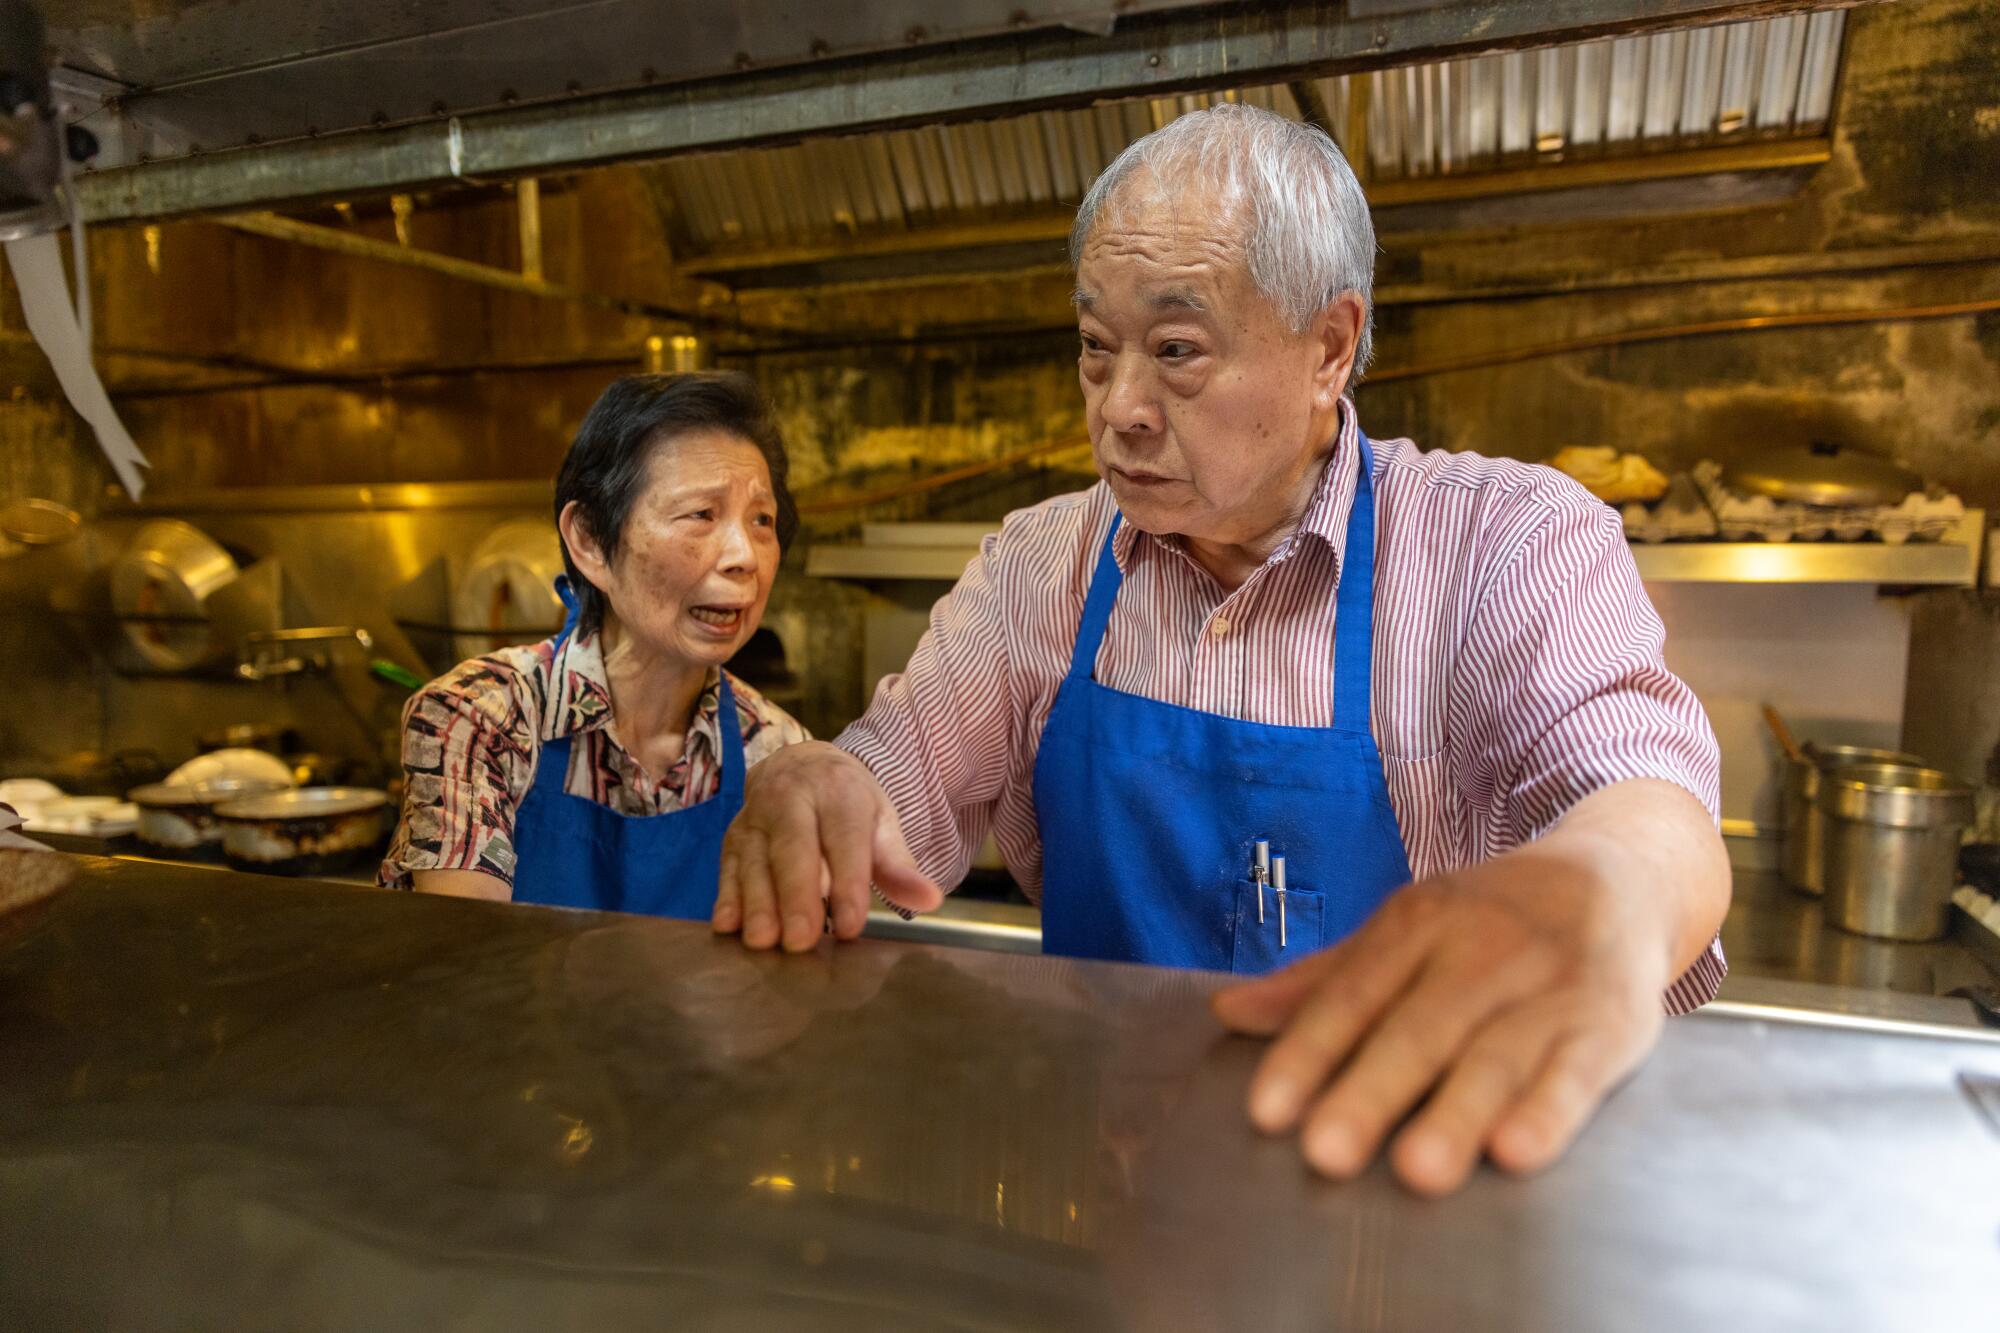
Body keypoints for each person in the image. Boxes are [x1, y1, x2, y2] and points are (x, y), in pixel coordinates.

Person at [711, 104, 1732, 1196]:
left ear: (1327, 348)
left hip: (1412, 1194)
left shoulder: (1500, 542)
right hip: (1106, 1188)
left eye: (1176, 352)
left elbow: (1647, 802)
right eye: (1095, 353)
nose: (1120, 411)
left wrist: (1598, 887)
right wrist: (826, 785)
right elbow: (887, 786)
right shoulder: (1042, 566)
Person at [380, 371, 809, 916]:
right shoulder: (481, 720)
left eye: (762, 521)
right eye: (701, 514)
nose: (744, 556)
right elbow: (468, 966)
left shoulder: (775, 748)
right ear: (589, 540)